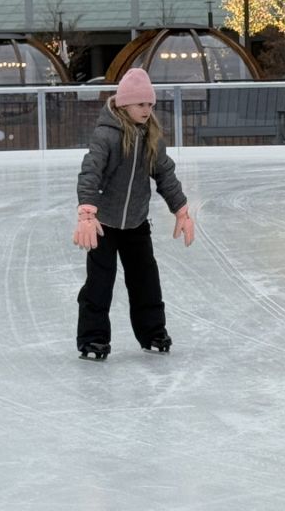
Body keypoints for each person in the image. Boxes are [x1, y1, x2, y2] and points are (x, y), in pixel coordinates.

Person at [72, 68, 194, 360]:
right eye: (141, 104)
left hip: (137, 222)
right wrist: (87, 211)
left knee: (146, 280)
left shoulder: (151, 136)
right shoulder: (107, 135)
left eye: (150, 105)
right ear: (125, 104)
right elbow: (90, 172)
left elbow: (165, 173)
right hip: (105, 224)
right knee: (99, 283)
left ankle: (153, 333)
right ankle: (93, 339)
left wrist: (181, 208)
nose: (147, 110)